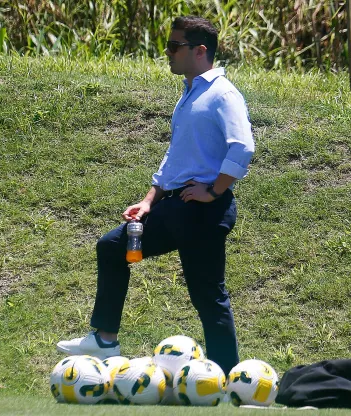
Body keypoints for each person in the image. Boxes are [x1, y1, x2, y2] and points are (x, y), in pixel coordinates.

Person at [56, 15, 255, 375]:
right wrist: (150, 200)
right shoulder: (191, 94)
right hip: (177, 207)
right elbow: (176, 156)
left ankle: (227, 376)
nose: (168, 53)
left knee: (208, 296)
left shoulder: (222, 94)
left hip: (203, 212)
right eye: (168, 46)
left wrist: (214, 190)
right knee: (113, 247)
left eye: (174, 46)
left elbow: (242, 148)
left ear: (199, 51)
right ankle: (104, 340)